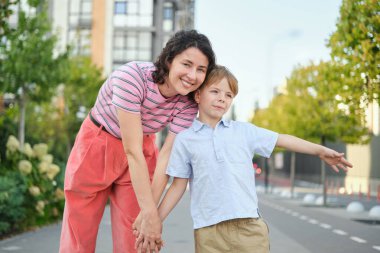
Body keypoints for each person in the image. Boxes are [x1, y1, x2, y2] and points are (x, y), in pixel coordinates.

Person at [149, 65, 352, 253]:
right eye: (215, 91)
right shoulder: (185, 139)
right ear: (198, 95)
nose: (222, 98)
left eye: (229, 95)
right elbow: (177, 186)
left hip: (249, 228)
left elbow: (282, 139)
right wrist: (154, 222)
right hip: (208, 231)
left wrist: (320, 151)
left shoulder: (243, 131)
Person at [59, 30, 216, 253]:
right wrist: (151, 214)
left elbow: (166, 156)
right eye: (187, 64)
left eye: (201, 69)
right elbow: (131, 150)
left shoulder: (188, 103)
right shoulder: (132, 77)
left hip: (143, 149)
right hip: (99, 142)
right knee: (79, 235)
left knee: (134, 236)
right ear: (170, 60)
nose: (192, 75)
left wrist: (148, 213)